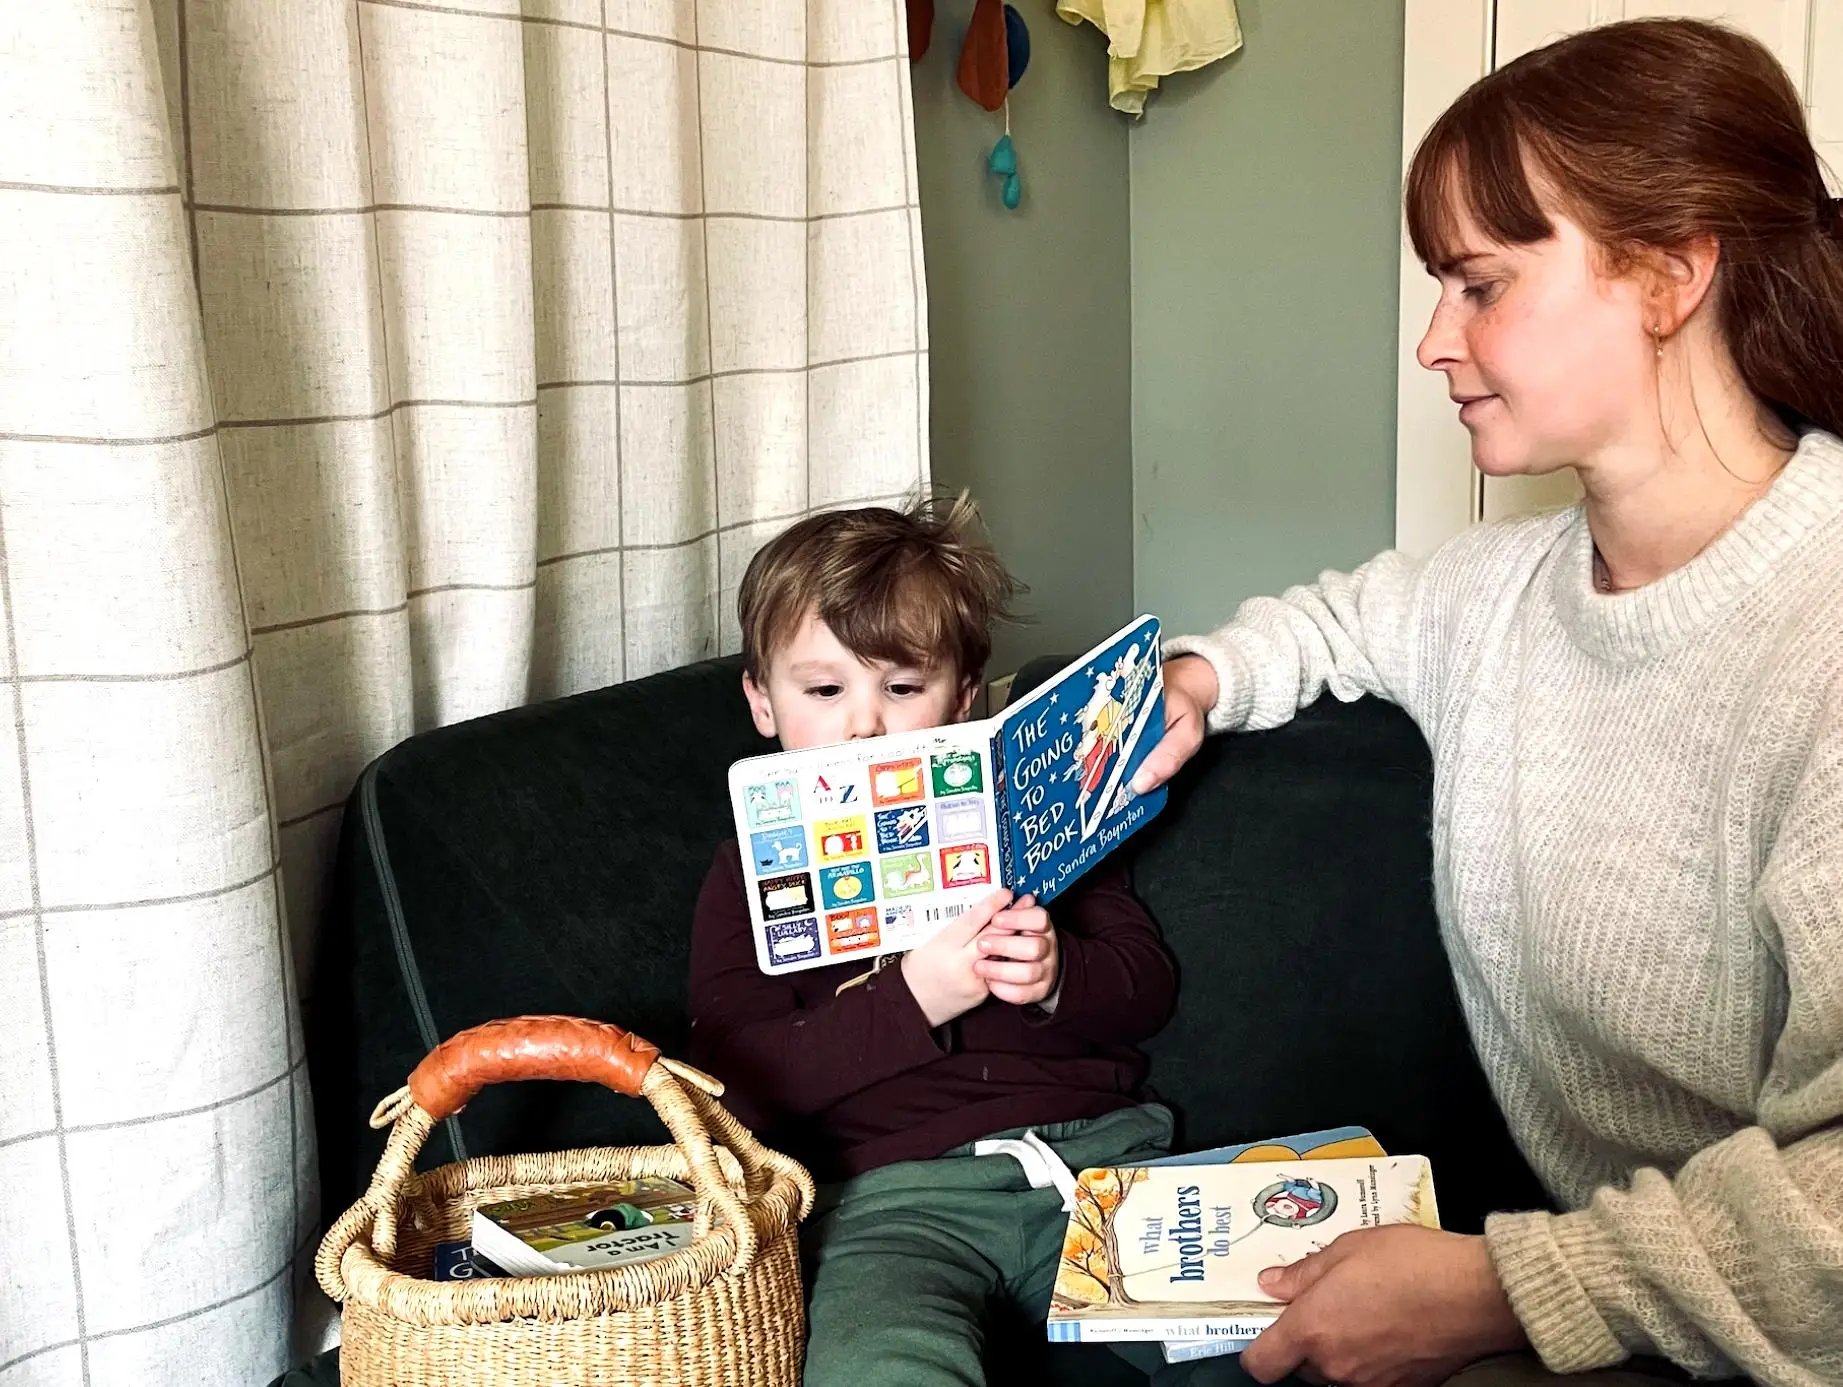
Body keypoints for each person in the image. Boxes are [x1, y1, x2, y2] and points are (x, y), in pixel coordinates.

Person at [1132, 18, 1843, 1387]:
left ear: (1665, 271)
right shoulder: (1497, 590)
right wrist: (1203, 677)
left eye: (1476, 284)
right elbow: (1340, 617)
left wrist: (1500, 1284)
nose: (1428, 343)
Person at [688, 496, 1180, 1387]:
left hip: (1098, 1162)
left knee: (1262, 1339)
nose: (864, 724)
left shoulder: (1038, 822)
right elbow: (733, 1088)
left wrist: (1061, 974)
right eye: (824, 689)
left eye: (902, 688)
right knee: (877, 1361)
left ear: (964, 695)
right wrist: (914, 997)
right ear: (763, 701)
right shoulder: (745, 874)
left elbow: (1147, 987)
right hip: (889, 1205)